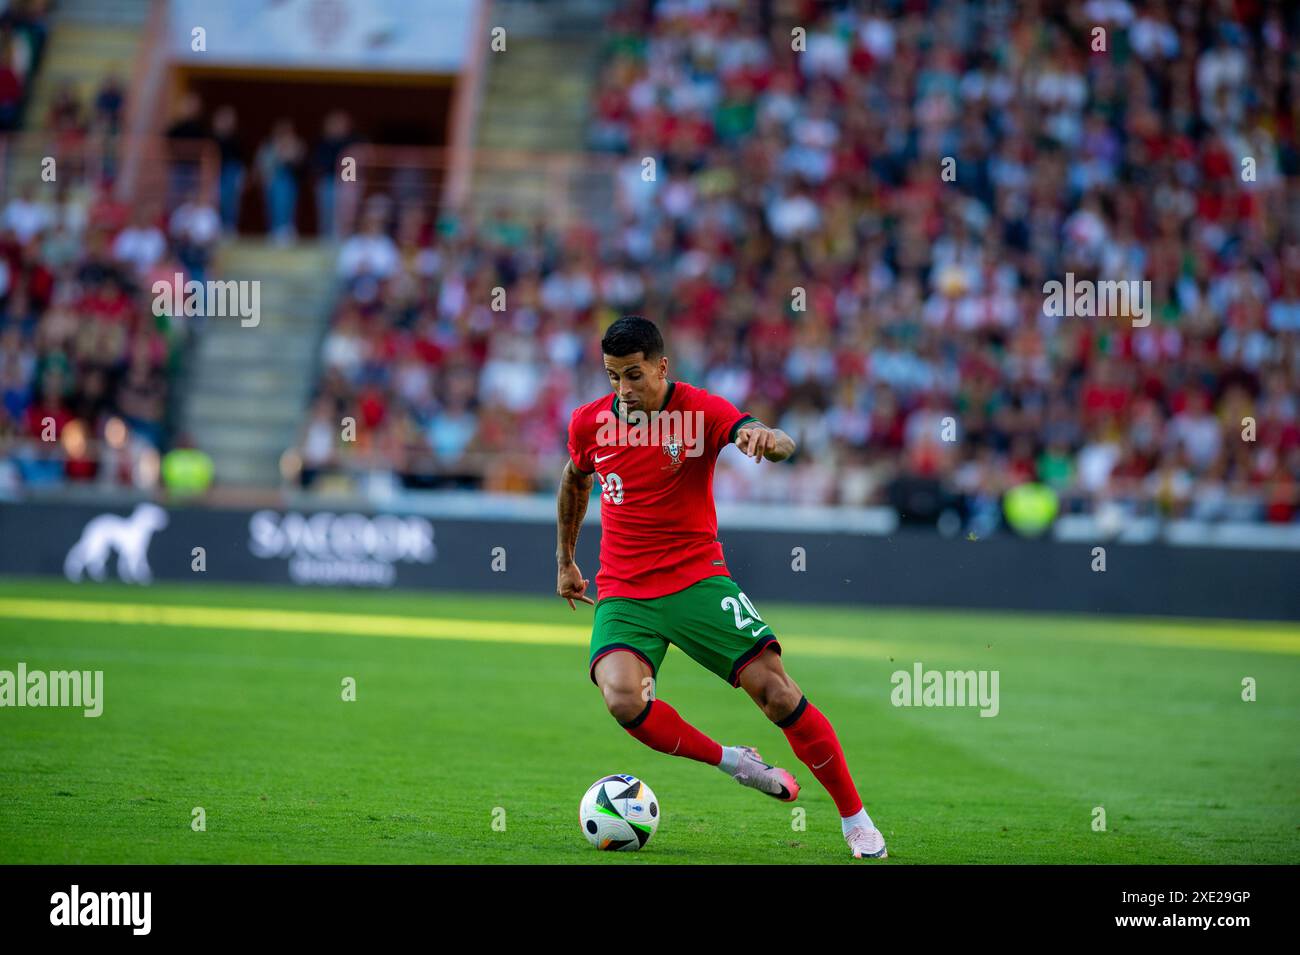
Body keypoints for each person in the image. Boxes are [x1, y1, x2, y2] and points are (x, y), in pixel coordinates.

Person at [556, 315, 887, 860]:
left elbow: (769, 439)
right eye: (613, 376)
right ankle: (736, 763)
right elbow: (574, 479)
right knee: (621, 698)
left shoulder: (701, 411)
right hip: (625, 593)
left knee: (778, 693)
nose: (623, 390)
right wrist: (566, 561)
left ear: (662, 366)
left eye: (634, 376)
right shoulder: (590, 422)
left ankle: (856, 819)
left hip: (697, 582)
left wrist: (768, 440)